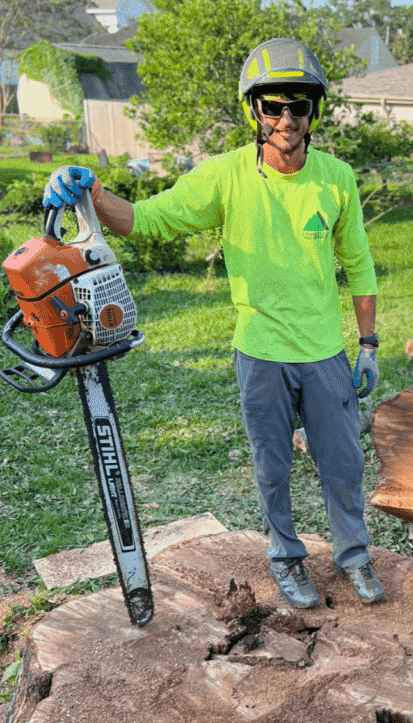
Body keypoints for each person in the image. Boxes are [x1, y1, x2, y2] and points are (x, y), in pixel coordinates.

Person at [42, 37, 385, 609]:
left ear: (313, 112)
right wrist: (90, 189)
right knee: (273, 469)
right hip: (259, 353)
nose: (285, 119)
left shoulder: (336, 178)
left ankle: (355, 557)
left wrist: (369, 346)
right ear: (254, 109)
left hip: (325, 354)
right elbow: (145, 220)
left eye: (297, 106)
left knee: (344, 466)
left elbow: (360, 265)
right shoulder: (224, 177)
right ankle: (286, 559)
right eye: (272, 105)